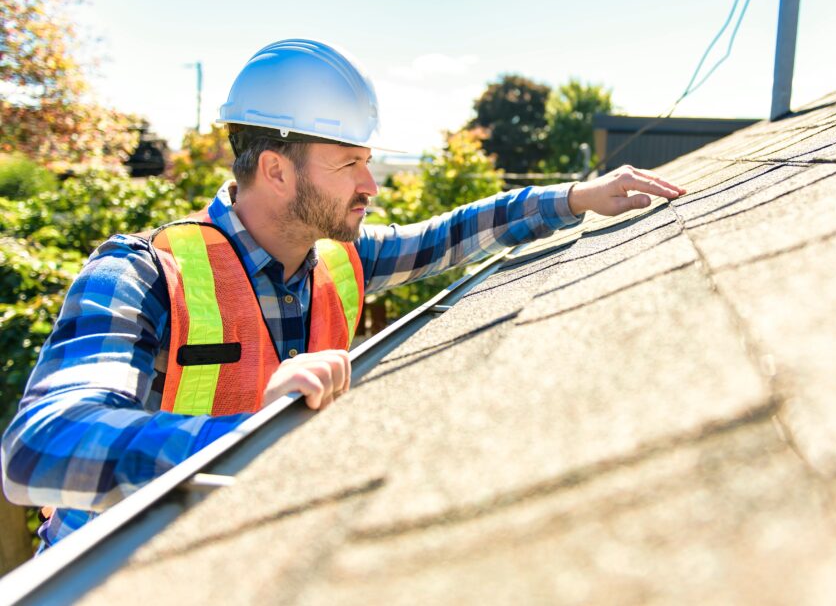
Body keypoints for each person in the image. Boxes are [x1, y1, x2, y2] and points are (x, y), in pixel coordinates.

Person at [0, 39, 684, 550]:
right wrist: (244, 439)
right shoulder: (140, 275)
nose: (371, 185)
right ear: (275, 170)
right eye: (350, 163)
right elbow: (37, 444)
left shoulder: (336, 261)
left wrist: (574, 198)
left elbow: (445, 236)